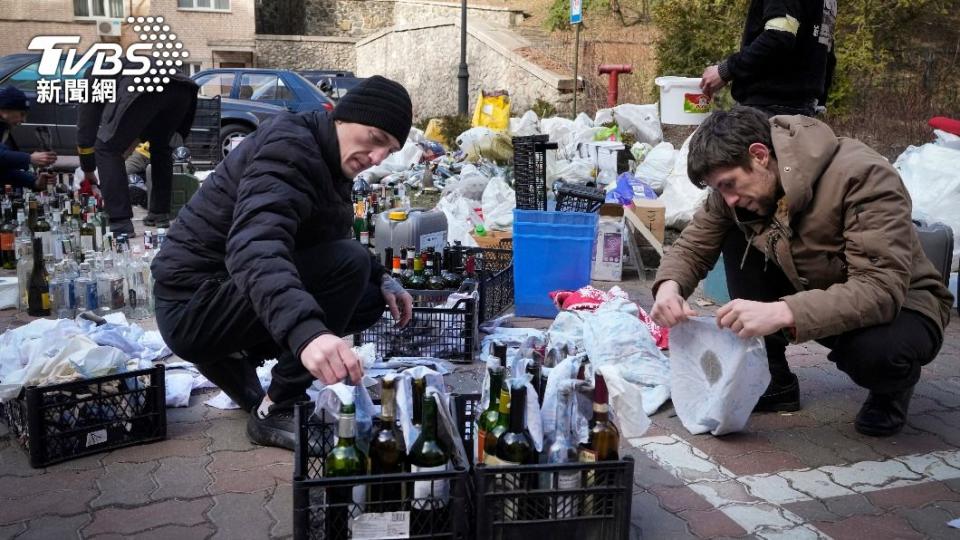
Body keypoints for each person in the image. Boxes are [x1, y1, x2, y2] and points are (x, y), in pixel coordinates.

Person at [651, 106, 952, 437]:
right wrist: (670, 287)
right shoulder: (736, 191)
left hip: (904, 303)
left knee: (875, 353)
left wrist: (783, 311)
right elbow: (694, 245)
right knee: (735, 231)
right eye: (720, 189)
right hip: (816, 285)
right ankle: (775, 381)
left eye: (729, 185)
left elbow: (879, 289)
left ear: (760, 154)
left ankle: (890, 391)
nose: (729, 198)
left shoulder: (863, 176)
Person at [151, 75, 415, 450]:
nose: (375, 158)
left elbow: (329, 238)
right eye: (374, 138)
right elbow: (254, 245)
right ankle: (279, 405)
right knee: (348, 267)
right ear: (342, 117)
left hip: (223, 294)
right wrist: (308, 334)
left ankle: (233, 357)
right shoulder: (290, 146)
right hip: (191, 304)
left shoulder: (328, 157)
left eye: (387, 151)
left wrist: (383, 277)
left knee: (369, 295)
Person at [77, 70, 198, 234]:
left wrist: (88, 169)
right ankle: (159, 213)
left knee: (106, 148)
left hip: (148, 85)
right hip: (183, 88)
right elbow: (135, 126)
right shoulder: (122, 67)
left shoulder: (95, 74)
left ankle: (120, 221)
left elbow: (86, 127)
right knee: (161, 147)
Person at [699, 0, 837, 117]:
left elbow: (778, 37)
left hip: (766, 111)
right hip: (803, 113)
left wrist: (726, 70)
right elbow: (825, 50)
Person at [0, 86, 56, 190]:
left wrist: (34, 182)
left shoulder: (4, 127)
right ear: (4, 110)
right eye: (21, 114)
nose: (24, 120)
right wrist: (30, 158)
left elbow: (3, 169)